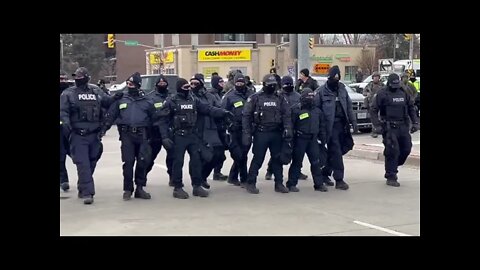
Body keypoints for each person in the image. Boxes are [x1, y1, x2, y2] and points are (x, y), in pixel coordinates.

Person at [158, 78, 233, 199]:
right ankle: (177, 187)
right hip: (178, 135)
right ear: (179, 88)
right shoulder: (171, 101)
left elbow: (207, 109)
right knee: (178, 162)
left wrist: (223, 112)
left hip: (193, 135)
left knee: (196, 161)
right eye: (185, 87)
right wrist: (164, 137)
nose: (188, 89)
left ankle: (197, 186)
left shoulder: (193, 99)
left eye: (189, 87)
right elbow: (162, 120)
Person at [60, 67, 121, 204]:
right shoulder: (68, 93)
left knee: (92, 160)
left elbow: (107, 102)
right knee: (83, 164)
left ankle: (83, 186)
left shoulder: (95, 91)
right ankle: (88, 193)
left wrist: (116, 97)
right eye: (76, 77)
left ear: (87, 78)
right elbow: (63, 112)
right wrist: (67, 128)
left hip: (94, 135)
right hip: (78, 135)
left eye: (80, 76)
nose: (77, 79)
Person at [101, 72, 156, 200]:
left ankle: (140, 188)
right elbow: (111, 115)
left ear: (138, 85)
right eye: (127, 83)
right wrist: (104, 129)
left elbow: (155, 119)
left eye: (131, 84)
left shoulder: (147, 100)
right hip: (127, 135)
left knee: (142, 162)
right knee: (128, 162)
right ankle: (127, 189)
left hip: (143, 135)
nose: (129, 86)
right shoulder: (121, 98)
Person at [242, 74, 293, 194]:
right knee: (258, 159)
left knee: (277, 159)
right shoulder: (255, 98)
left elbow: (286, 114)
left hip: (276, 132)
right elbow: (246, 115)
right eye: (270, 85)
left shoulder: (280, 97)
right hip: (261, 132)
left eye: (274, 85)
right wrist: (247, 133)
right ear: (264, 85)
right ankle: (251, 183)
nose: (272, 87)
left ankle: (279, 184)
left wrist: (288, 128)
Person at [370, 73, 419, 187]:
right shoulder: (382, 93)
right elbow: (373, 109)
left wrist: (415, 122)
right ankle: (391, 175)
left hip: (403, 125)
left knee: (406, 148)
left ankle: (393, 165)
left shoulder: (404, 92)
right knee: (393, 150)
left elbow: (411, 107)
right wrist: (377, 125)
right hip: (389, 127)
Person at [314, 66, 357, 190]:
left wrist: (353, 121)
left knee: (346, 147)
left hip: (342, 125)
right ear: (329, 78)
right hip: (329, 126)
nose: (336, 81)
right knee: (336, 151)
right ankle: (339, 179)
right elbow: (317, 111)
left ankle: (325, 172)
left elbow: (348, 106)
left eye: (338, 79)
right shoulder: (321, 92)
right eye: (334, 79)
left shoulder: (342, 89)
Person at [265, 75, 308, 181]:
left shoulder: (297, 96)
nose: (288, 86)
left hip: (295, 127)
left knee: (297, 152)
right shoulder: (278, 96)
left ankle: (297, 171)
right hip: (281, 128)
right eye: (286, 84)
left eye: (290, 84)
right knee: (279, 152)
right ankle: (270, 170)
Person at [286, 88, 327, 192]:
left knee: (316, 162)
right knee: (297, 162)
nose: (310, 98)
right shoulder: (296, 109)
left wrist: (323, 139)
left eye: (312, 96)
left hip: (313, 139)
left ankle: (319, 184)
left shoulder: (317, 111)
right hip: (300, 139)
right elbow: (290, 125)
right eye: (308, 96)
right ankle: (291, 184)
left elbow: (322, 126)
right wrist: (290, 139)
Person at [221, 74, 255, 187]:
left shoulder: (251, 95)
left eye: (241, 83)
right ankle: (244, 179)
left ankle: (233, 176)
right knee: (239, 155)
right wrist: (228, 125)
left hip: (247, 129)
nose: (239, 85)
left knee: (244, 153)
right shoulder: (229, 96)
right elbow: (223, 113)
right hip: (234, 130)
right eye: (237, 83)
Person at [144, 75, 175, 186]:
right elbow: (147, 115)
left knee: (172, 156)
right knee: (150, 156)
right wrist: (159, 114)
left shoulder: (172, 96)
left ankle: (173, 178)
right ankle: (142, 177)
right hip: (154, 132)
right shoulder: (150, 97)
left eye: (164, 83)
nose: (162, 84)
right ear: (156, 85)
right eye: (160, 83)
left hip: (170, 131)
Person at [208, 75, 229, 180]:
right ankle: (207, 173)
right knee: (217, 152)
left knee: (222, 152)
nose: (223, 84)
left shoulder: (222, 94)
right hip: (214, 127)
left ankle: (217, 172)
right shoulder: (211, 95)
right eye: (220, 82)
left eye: (223, 82)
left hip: (222, 126)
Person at [363, 72, 385, 138]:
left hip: (380, 104)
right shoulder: (369, 85)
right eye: (375, 77)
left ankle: (381, 130)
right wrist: (367, 94)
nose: (376, 78)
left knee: (380, 117)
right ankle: (374, 131)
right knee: (373, 118)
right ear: (372, 78)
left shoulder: (382, 85)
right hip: (371, 104)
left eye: (377, 77)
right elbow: (364, 92)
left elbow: (386, 92)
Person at [60, 70, 71, 192]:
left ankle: (83, 180)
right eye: (60, 79)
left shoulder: (71, 92)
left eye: (64, 79)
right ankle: (63, 180)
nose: (62, 81)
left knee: (76, 155)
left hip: (70, 129)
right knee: (61, 156)